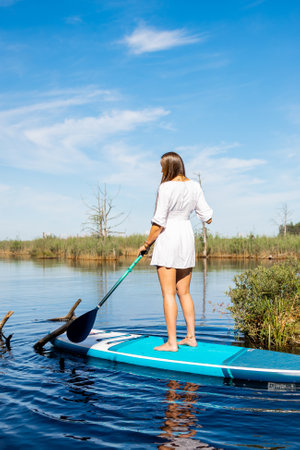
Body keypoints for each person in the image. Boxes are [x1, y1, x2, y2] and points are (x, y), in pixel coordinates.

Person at [138, 152, 213, 352]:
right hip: (186, 237)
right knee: (185, 292)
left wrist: (145, 244)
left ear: (169, 167)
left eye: (162, 166)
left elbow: (158, 223)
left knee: (169, 294)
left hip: (169, 238)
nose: (161, 170)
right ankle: (190, 337)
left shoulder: (165, 187)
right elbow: (208, 217)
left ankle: (172, 343)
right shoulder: (195, 186)